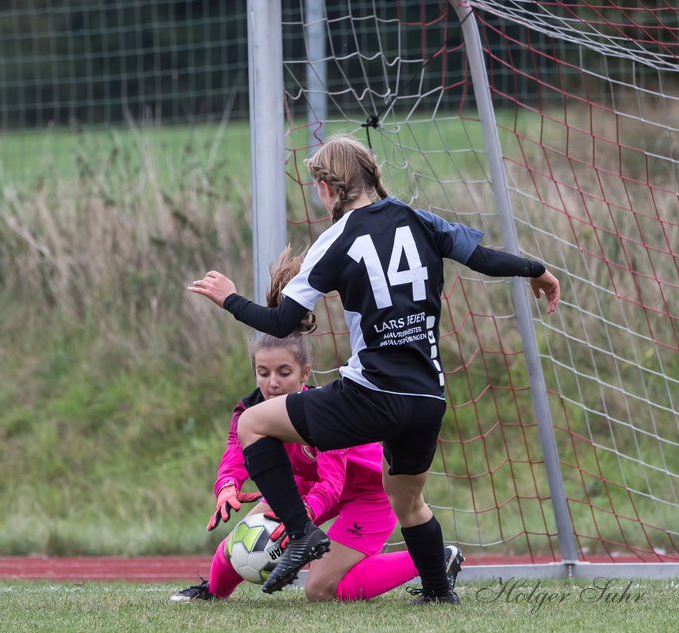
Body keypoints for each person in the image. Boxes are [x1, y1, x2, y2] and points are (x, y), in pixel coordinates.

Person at [188, 134, 560, 603]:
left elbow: (282, 322)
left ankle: (303, 533)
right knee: (409, 501)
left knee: (254, 423)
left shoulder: (334, 241)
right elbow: (482, 258)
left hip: (373, 395)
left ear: (326, 186)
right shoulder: (418, 220)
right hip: (428, 398)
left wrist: (230, 299)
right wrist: (536, 270)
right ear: (369, 176)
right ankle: (439, 593)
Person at [171, 253, 464, 604]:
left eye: (284, 373)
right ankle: (212, 592)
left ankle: (433, 560)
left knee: (320, 589)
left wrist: (301, 519)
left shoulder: (322, 414)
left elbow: (332, 482)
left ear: (305, 375)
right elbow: (235, 451)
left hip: (368, 494)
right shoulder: (249, 410)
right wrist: (228, 486)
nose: (273, 383)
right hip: (303, 487)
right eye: (264, 373)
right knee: (243, 539)